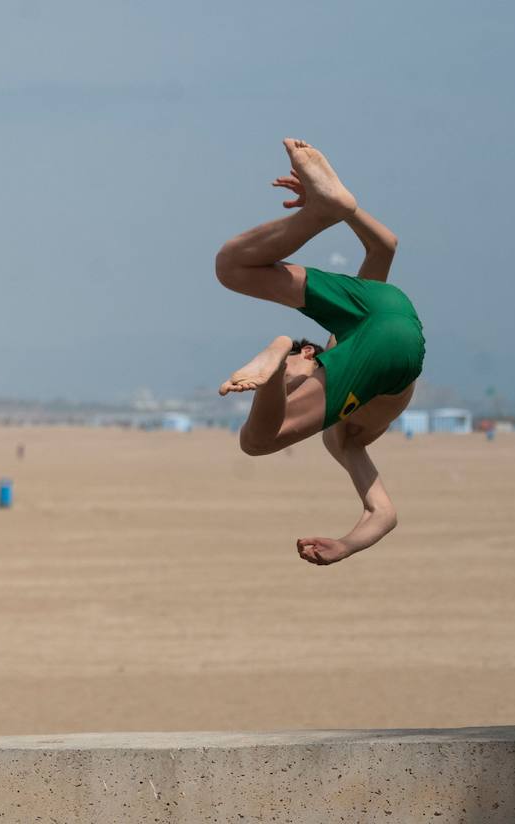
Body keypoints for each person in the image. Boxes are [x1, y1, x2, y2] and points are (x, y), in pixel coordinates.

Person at [214, 139, 425, 566]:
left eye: (288, 373)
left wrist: (279, 370)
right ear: (310, 353)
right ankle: (323, 212)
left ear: (308, 356)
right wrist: (345, 545)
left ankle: (325, 214)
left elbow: (383, 514)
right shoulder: (343, 428)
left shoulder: (340, 415)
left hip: (393, 335)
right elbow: (384, 245)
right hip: (389, 308)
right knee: (232, 267)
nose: (295, 394)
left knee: (256, 443)